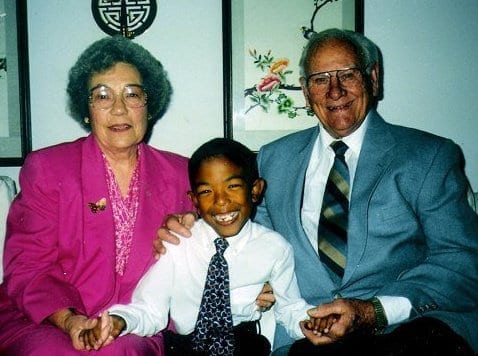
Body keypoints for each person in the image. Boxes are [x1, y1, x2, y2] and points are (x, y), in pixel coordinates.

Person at [156, 28, 478, 355]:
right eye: (321, 79)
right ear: (307, 94)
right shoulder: (273, 159)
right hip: (309, 337)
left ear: (373, 78)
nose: (335, 90)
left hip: (405, 332)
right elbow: (245, 239)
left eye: (347, 75)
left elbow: (462, 263)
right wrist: (191, 233)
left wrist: (374, 311)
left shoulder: (428, 157)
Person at [0, 35, 196, 355]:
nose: (119, 108)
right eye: (102, 95)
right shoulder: (48, 169)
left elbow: (213, 254)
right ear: (87, 109)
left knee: (122, 352)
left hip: (135, 322)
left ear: (149, 105)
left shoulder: (182, 174)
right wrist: (72, 321)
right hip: (48, 319)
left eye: (132, 94)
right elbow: (27, 267)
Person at [82, 137, 316, 355]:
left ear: (255, 190)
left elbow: (290, 308)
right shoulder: (179, 243)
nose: (221, 201)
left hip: (245, 345)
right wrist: (119, 321)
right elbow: (150, 308)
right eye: (206, 191)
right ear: (193, 200)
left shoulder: (275, 248)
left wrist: (314, 323)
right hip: (186, 347)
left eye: (233, 186)